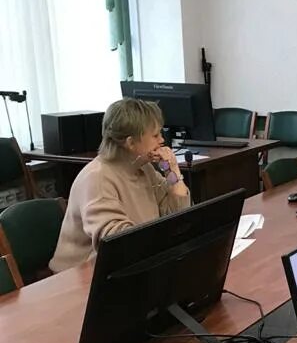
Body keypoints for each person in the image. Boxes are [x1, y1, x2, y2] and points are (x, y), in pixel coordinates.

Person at [49, 98, 191, 272]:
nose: (162, 140)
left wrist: (172, 170)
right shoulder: (97, 178)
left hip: (132, 265)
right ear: (130, 143)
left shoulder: (143, 168)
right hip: (80, 275)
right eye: (155, 135)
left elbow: (178, 217)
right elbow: (118, 242)